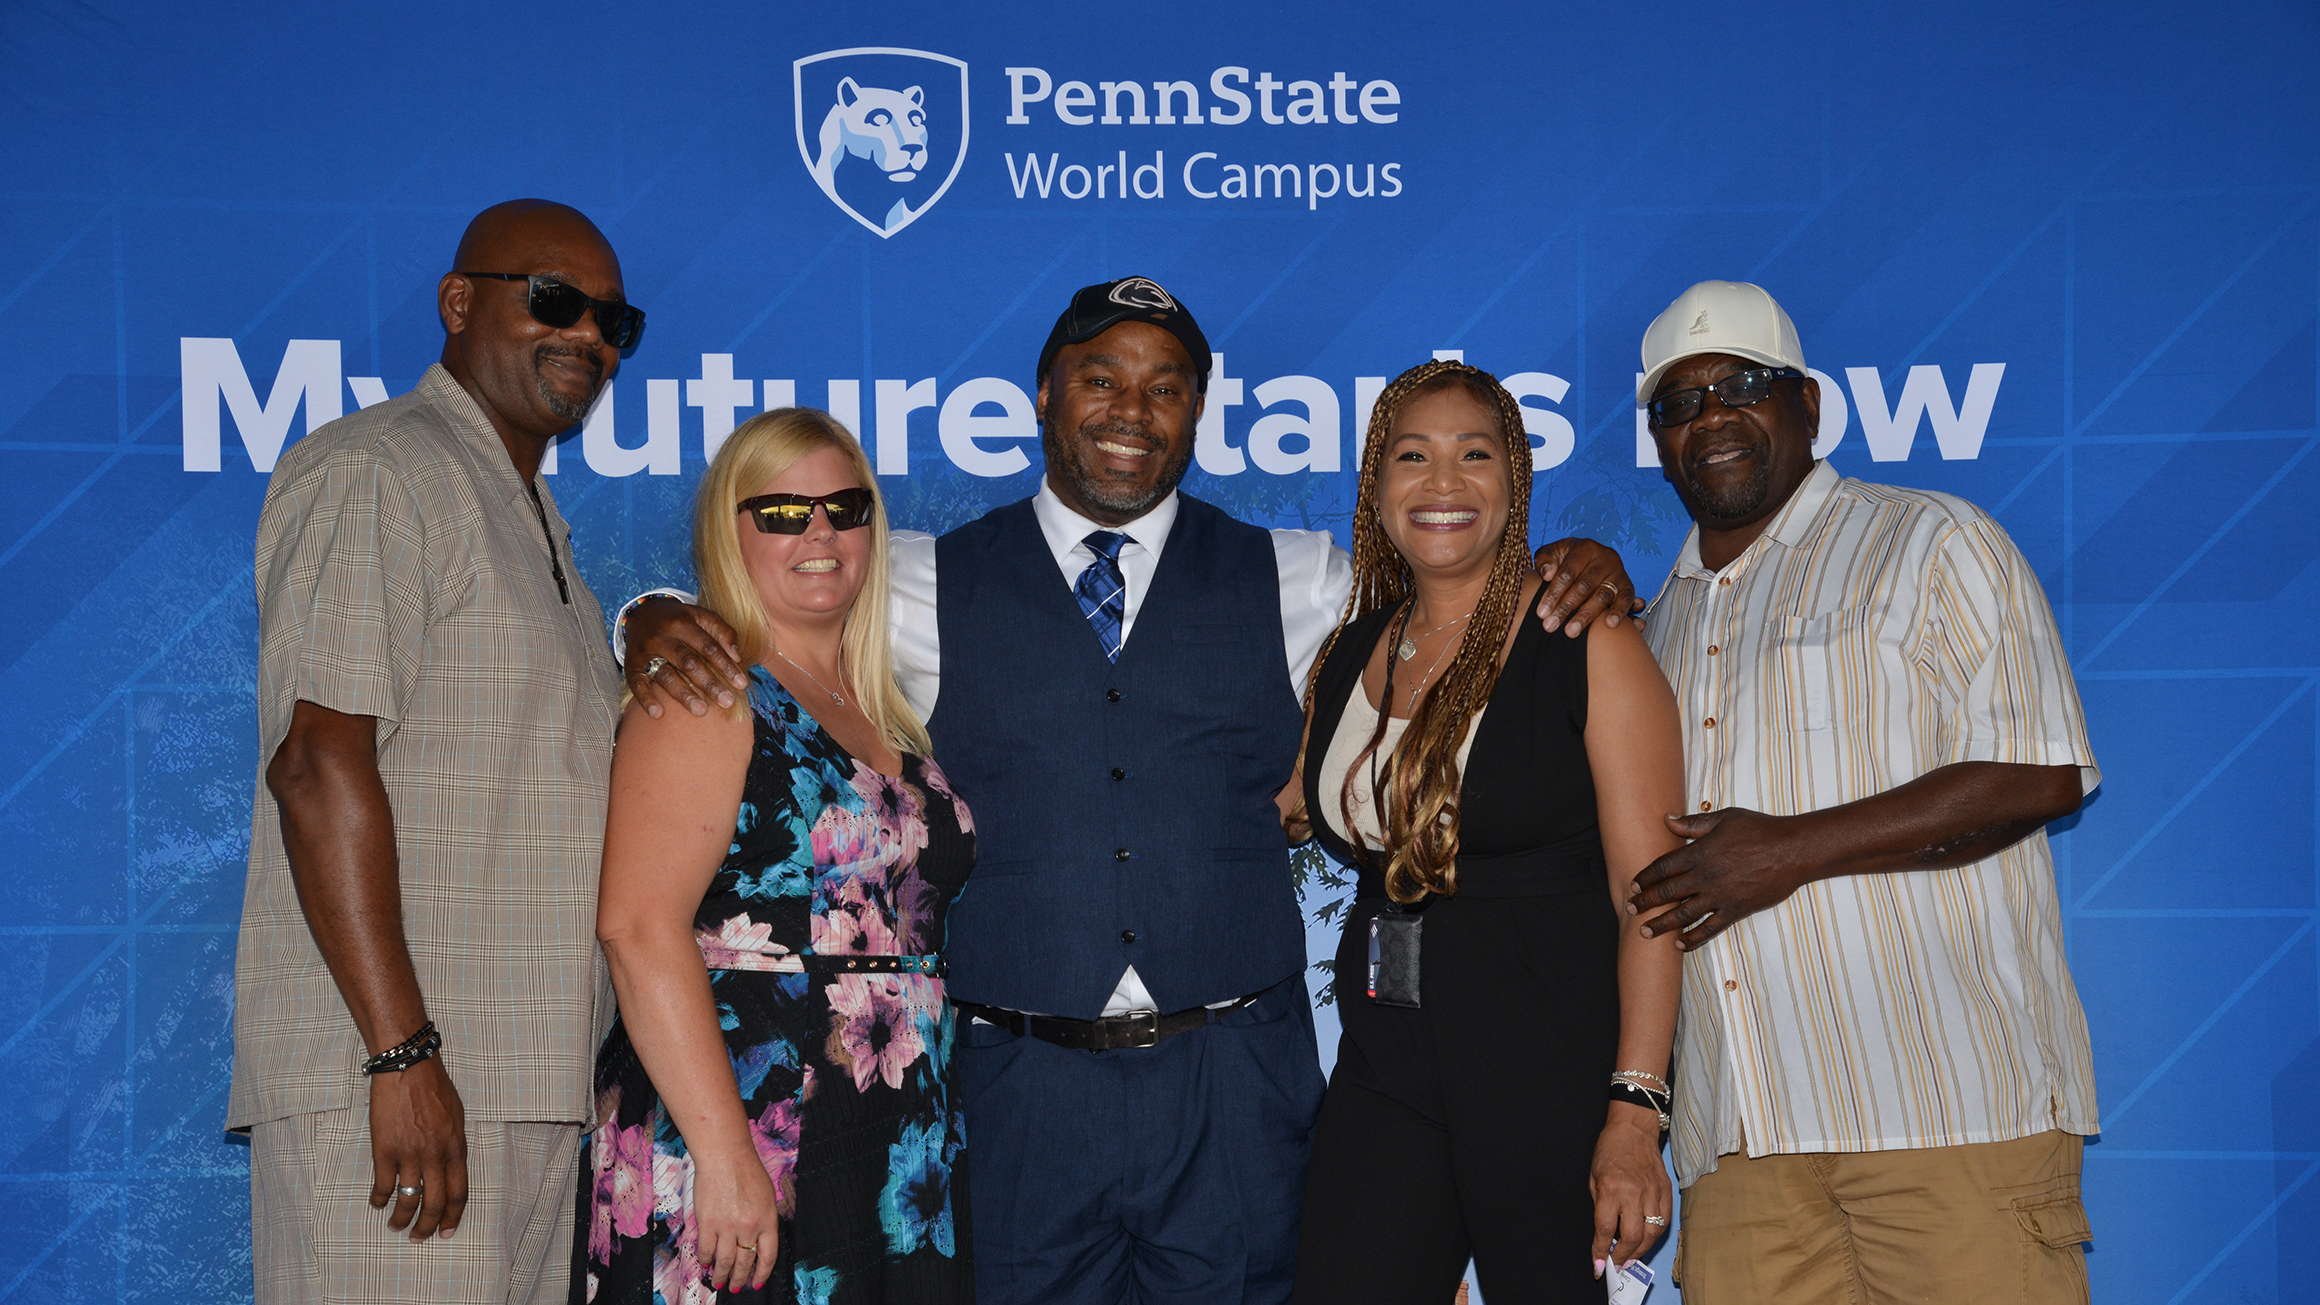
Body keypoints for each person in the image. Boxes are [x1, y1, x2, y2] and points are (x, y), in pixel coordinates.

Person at [621, 277, 1643, 1305]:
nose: (1131, 410)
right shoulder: (915, 582)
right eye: (1100, 378)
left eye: (1165, 388)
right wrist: (651, 621)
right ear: (1043, 395)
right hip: (1019, 1091)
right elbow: (774, 618)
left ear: (1196, 412)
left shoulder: (1303, 578)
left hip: (1235, 1086)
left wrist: (1572, 561)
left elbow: (1445, 611)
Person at [1625, 280, 2101, 1302]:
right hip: (1739, 1143)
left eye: (1741, 386)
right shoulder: (1649, 627)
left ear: (1809, 406)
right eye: (1677, 402)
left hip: (1947, 1117)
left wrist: (1784, 850)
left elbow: (2038, 771)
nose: (1709, 417)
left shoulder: (1930, 541)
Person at [229, 199, 644, 1303]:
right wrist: (401, 1056)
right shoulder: (380, 468)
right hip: (407, 1088)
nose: (589, 336)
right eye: (554, 300)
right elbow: (317, 766)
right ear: (460, 304)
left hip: (522, 1085)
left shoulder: (523, 513)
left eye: (615, 320)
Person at [1284, 360, 1685, 1304]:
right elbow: (1285, 805)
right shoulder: (1352, 650)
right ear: (1377, 487)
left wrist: (1635, 1111)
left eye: (1475, 454)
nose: (1443, 483)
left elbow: (1653, 901)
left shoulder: (1589, 643)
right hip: (1386, 1068)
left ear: (1516, 484)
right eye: (1412, 456)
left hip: (1546, 1074)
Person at [579, 408, 975, 1304]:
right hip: (746, 1130)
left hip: (891, 1137)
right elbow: (638, 928)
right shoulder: (706, 693)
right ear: (731, 530)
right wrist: (725, 1156)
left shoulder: (886, 710)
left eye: (843, 506)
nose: (821, 532)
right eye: (784, 513)